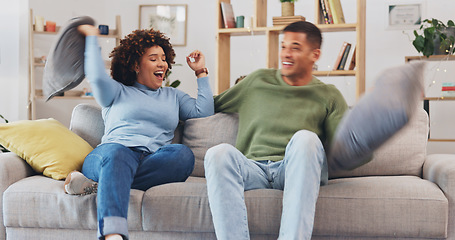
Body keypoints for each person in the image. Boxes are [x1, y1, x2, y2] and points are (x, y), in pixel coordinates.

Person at [64, 24, 214, 240]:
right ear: (135, 64)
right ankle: (112, 233)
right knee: (119, 154)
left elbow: (204, 111)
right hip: (109, 155)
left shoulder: (173, 96)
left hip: (150, 159)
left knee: (182, 155)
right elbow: (97, 78)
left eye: (163, 58)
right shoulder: (116, 91)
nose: (162, 63)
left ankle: (101, 186)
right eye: (153, 59)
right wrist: (92, 39)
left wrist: (200, 71)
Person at [204, 21, 347, 240]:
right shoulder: (257, 80)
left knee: (305, 139)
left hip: (293, 168)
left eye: (295, 48)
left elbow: (346, 148)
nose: (286, 54)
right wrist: (169, 95)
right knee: (217, 153)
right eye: (283, 46)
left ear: (314, 54)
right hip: (252, 168)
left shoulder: (328, 94)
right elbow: (208, 106)